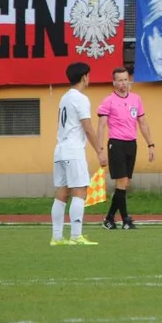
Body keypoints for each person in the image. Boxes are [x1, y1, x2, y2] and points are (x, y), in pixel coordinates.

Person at [51, 62, 107, 247]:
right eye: (88, 75)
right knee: (80, 192)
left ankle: (57, 238)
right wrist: (99, 150)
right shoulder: (81, 98)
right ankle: (76, 236)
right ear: (84, 77)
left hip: (60, 150)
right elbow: (88, 127)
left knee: (62, 193)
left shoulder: (64, 98)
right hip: (74, 151)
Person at [98, 67, 154, 230]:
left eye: (125, 79)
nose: (123, 83)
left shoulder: (136, 99)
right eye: (120, 80)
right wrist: (100, 149)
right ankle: (126, 219)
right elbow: (101, 126)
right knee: (121, 181)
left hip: (132, 143)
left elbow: (142, 123)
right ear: (114, 82)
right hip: (116, 143)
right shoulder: (108, 100)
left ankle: (109, 218)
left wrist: (150, 144)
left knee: (125, 183)